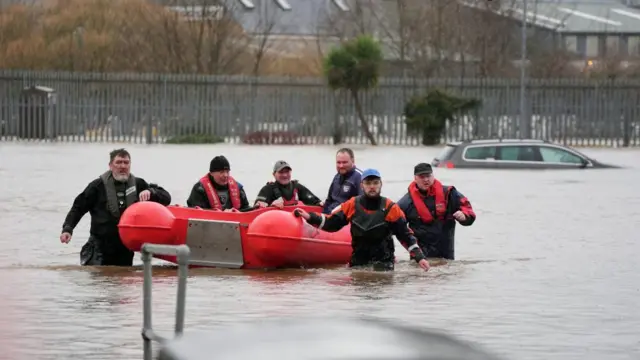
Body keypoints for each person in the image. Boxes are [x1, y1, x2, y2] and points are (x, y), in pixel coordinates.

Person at [294, 169, 430, 272]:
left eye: (375, 183)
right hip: (358, 263)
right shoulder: (352, 204)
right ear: (362, 185)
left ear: (381, 184)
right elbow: (331, 223)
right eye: (368, 183)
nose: (372, 186)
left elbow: (405, 236)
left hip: (383, 265)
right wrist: (309, 217)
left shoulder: (390, 207)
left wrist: (420, 257)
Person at [59, 148, 172, 266]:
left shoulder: (139, 184)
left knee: (121, 280)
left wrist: (151, 192)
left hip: (125, 249)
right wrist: (68, 229)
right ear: (110, 166)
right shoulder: (97, 186)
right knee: (100, 281)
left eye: (126, 162)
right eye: (118, 162)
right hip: (98, 248)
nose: (122, 166)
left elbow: (166, 198)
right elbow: (78, 208)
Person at [397, 163, 476, 260]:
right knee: (417, 274)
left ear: (433, 176)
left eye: (428, 176)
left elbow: (468, 210)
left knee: (446, 272)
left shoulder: (449, 193)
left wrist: (464, 216)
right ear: (415, 178)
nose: (426, 180)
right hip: (420, 258)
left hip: (446, 253)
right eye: (422, 177)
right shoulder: (406, 203)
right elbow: (393, 226)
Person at [186, 155, 252, 212]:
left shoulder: (238, 188)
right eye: (221, 172)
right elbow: (195, 212)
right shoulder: (200, 189)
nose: (226, 175)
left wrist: (256, 207)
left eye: (227, 171)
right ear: (211, 173)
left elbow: (246, 209)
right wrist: (223, 213)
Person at [254, 160, 323, 209]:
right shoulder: (267, 189)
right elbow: (256, 208)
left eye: (287, 172)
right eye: (281, 172)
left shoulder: (297, 187)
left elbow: (315, 202)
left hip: (294, 224)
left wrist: (320, 203)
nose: (285, 175)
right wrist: (271, 206)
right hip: (275, 223)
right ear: (274, 174)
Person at [322, 148, 363, 214]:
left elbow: (364, 205)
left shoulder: (360, 177)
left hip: (345, 218)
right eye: (338, 162)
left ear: (353, 161)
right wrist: (323, 215)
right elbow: (329, 200)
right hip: (330, 216)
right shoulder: (337, 176)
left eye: (344, 162)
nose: (341, 166)